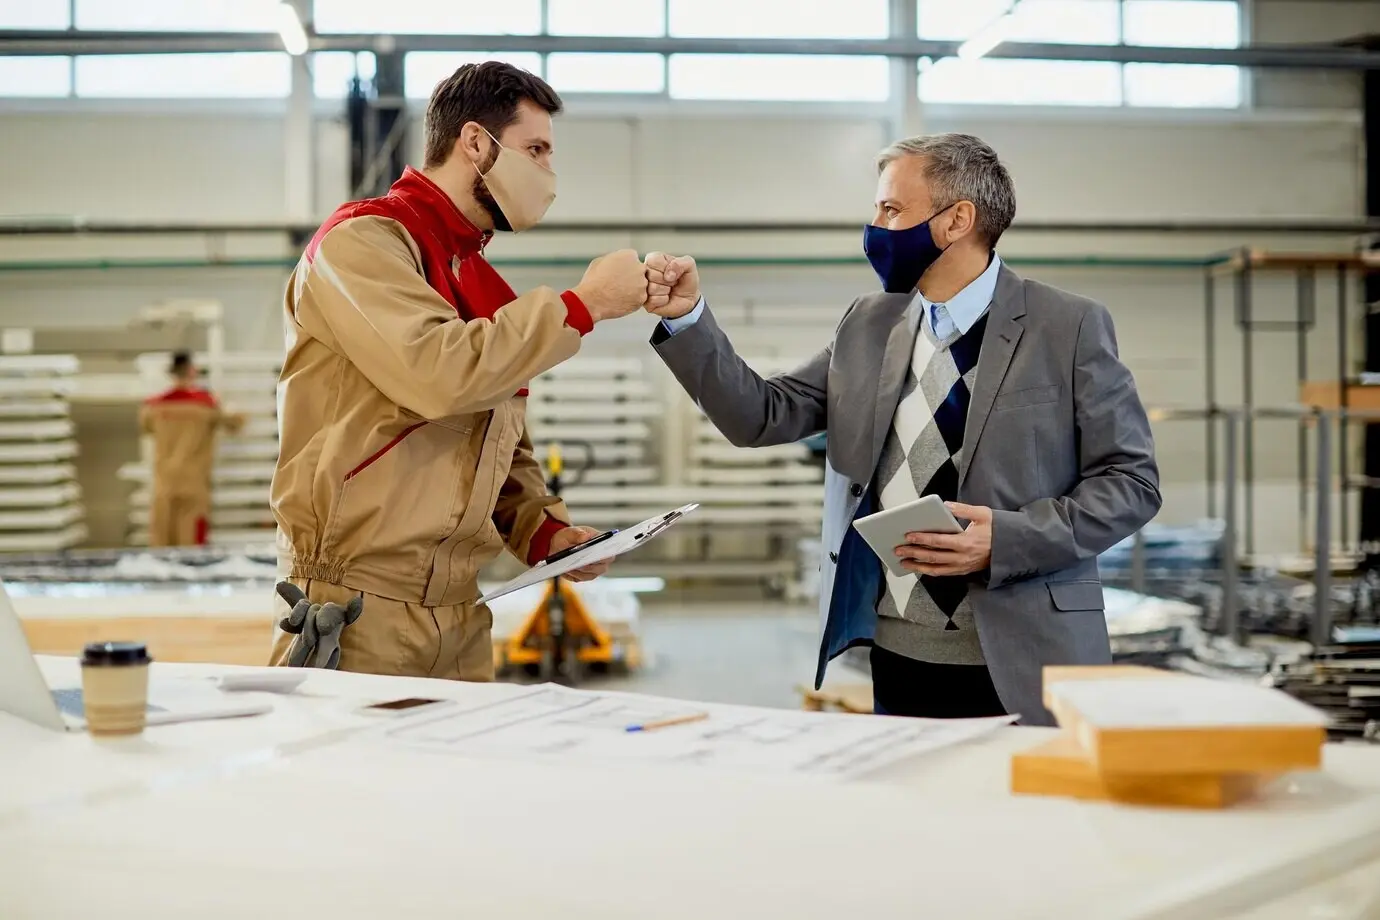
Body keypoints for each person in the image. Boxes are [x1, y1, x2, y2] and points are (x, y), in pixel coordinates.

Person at [643, 133, 1161, 725]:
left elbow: (1131, 483)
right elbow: (762, 415)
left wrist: (1007, 538)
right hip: (897, 653)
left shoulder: (1068, 326)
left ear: (956, 221)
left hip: (1030, 655)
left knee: (1029, 818)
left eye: (891, 209)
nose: (875, 227)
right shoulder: (870, 322)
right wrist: (687, 319)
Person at [268, 62, 648, 680]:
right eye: (536, 149)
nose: (548, 173)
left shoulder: (477, 278)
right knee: (359, 777)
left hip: (459, 609)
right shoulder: (363, 244)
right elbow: (439, 374)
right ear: (476, 142)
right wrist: (585, 305)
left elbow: (493, 438)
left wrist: (542, 532)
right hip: (359, 604)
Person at [139, 351, 244, 547]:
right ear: (192, 371)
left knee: (162, 538)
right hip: (194, 481)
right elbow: (236, 423)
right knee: (191, 540)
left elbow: (145, 427)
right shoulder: (205, 405)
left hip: (164, 481)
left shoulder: (153, 407)